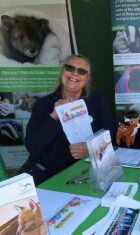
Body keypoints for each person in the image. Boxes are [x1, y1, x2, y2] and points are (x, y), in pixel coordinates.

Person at [19, 54, 115, 185]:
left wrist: (90, 149)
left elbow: (110, 132)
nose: (75, 74)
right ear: (62, 72)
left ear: (87, 79)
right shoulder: (43, 105)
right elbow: (32, 146)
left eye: (81, 71)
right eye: (70, 68)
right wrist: (53, 116)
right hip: (48, 175)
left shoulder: (95, 100)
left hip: (83, 173)